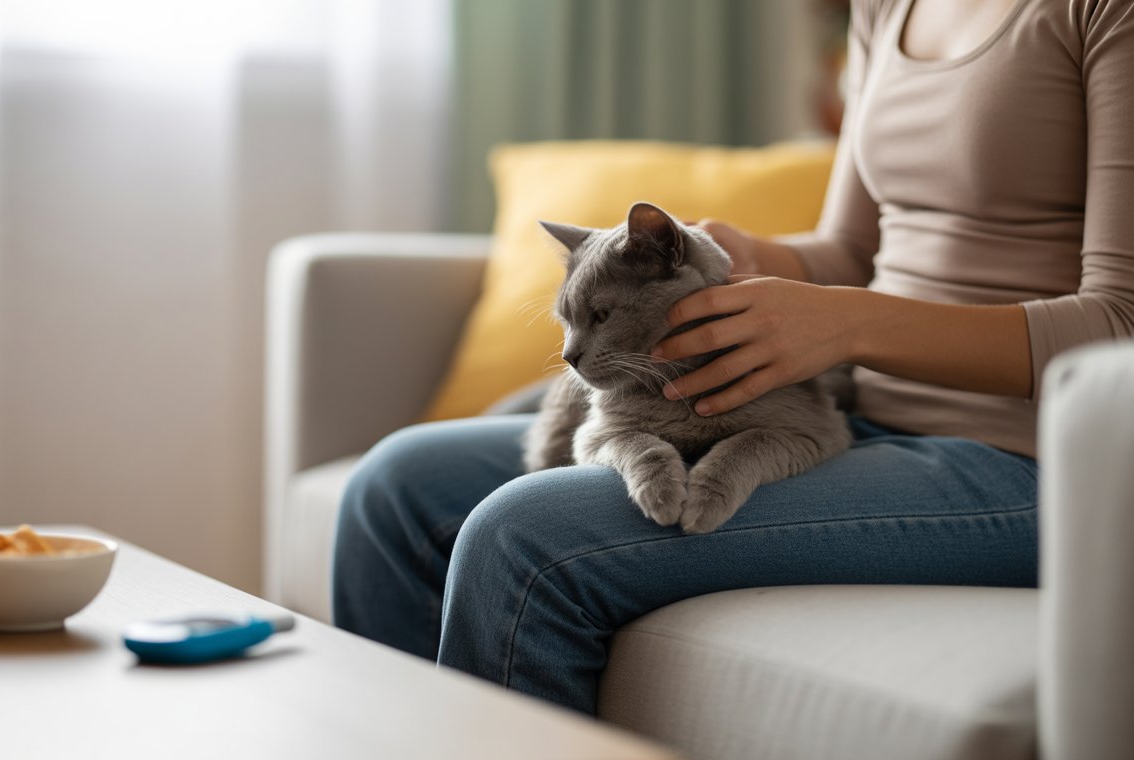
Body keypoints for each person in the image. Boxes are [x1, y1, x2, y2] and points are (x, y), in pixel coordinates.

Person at [330, 0, 1134, 716]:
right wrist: (748, 255)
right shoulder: (888, 7)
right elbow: (855, 249)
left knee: (522, 539)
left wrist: (847, 324)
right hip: (852, 412)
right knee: (395, 488)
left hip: (1033, 463)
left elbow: (1120, 325)